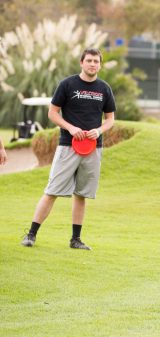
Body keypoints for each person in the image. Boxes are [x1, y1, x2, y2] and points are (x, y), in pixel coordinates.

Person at [21, 48, 115, 250]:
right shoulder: (67, 84)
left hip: (93, 148)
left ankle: (76, 240)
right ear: (81, 62)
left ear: (100, 64)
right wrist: (71, 128)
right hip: (67, 146)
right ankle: (31, 234)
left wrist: (98, 131)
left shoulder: (104, 88)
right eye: (89, 60)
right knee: (52, 191)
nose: (92, 64)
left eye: (96, 61)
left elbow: (110, 119)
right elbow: (53, 113)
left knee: (81, 195)